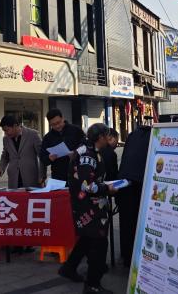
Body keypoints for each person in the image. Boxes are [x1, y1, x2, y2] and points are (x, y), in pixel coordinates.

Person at [59, 123, 117, 294]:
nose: (109, 139)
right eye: (107, 136)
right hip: (89, 207)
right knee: (99, 243)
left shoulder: (90, 150)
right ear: (100, 138)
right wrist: (107, 188)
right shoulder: (88, 155)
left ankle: (69, 268)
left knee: (86, 238)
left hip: (88, 206)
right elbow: (87, 185)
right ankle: (92, 284)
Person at [117, 122, 151, 266]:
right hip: (139, 184)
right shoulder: (151, 137)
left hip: (124, 182)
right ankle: (135, 255)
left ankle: (126, 255)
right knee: (138, 221)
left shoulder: (132, 136)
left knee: (126, 222)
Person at [0, 115, 42, 189]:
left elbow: (42, 156)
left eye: (7, 130)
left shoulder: (33, 135)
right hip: (14, 179)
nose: (6, 133)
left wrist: (42, 175)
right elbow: (5, 156)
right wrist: (1, 167)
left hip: (31, 178)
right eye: (4, 131)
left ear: (15, 126)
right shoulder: (6, 139)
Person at [40, 109, 85, 182]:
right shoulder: (47, 138)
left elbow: (86, 147)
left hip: (77, 173)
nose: (57, 126)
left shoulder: (76, 130)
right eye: (53, 124)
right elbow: (43, 158)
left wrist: (75, 153)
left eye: (58, 122)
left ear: (62, 118)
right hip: (58, 177)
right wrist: (49, 158)